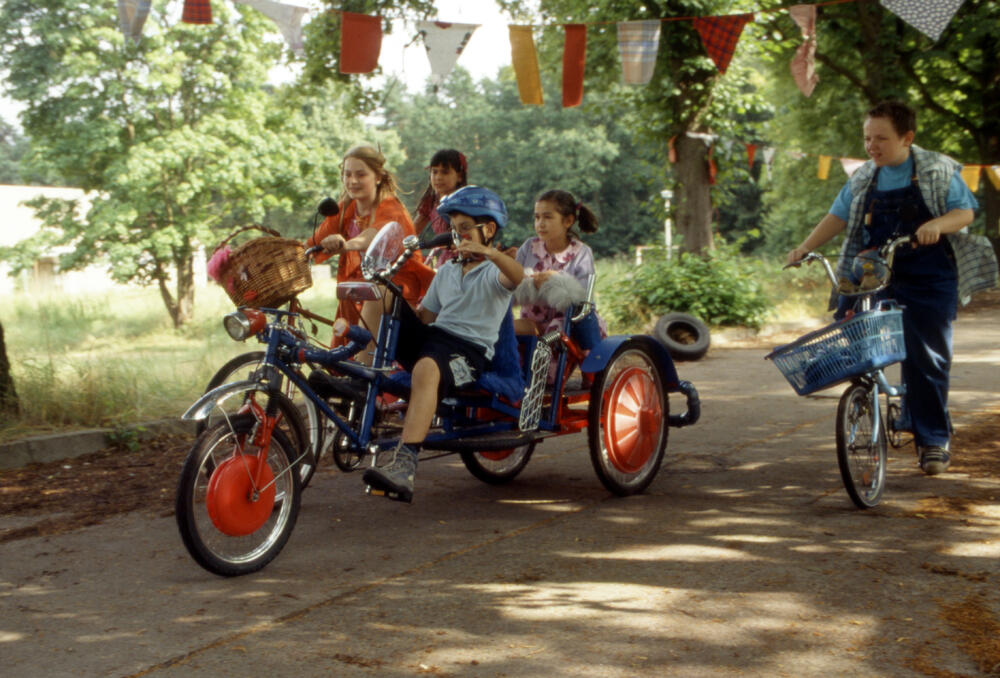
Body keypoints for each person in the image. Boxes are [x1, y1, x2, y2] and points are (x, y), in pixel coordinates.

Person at [786, 100, 997, 476]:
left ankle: (933, 439)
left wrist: (937, 225)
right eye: (867, 138)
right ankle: (867, 401)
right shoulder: (865, 177)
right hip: (877, 271)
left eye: (881, 138)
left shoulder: (937, 169)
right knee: (858, 338)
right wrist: (805, 247)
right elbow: (836, 217)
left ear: (907, 138)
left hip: (930, 275)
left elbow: (965, 212)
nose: (872, 146)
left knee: (927, 358)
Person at [363, 186, 525, 503]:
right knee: (376, 293)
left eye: (465, 228)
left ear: (488, 229)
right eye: (453, 229)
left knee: (427, 366)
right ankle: (363, 376)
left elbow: (519, 278)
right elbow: (425, 318)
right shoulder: (447, 271)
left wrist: (492, 253)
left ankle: (404, 466)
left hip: (467, 352)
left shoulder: (495, 272)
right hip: (434, 338)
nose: (456, 235)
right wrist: (398, 305)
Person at [306, 145, 434, 354]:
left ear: (377, 177)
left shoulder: (391, 207)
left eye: (360, 174)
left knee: (363, 366)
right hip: (355, 294)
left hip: (393, 293)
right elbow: (314, 241)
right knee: (339, 362)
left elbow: (375, 235)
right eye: (347, 174)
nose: (352, 181)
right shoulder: (346, 208)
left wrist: (345, 244)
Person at [513, 189, 607, 340]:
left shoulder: (581, 253)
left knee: (555, 332)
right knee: (504, 330)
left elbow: (582, 299)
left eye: (547, 217)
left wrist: (556, 280)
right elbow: (512, 281)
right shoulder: (529, 247)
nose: (540, 224)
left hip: (568, 325)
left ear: (568, 221)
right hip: (532, 322)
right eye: (537, 217)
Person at [413, 149, 468, 267]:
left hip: (466, 259)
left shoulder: (465, 203)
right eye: (434, 172)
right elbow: (411, 231)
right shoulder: (430, 201)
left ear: (459, 176)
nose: (438, 177)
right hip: (444, 262)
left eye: (445, 172)